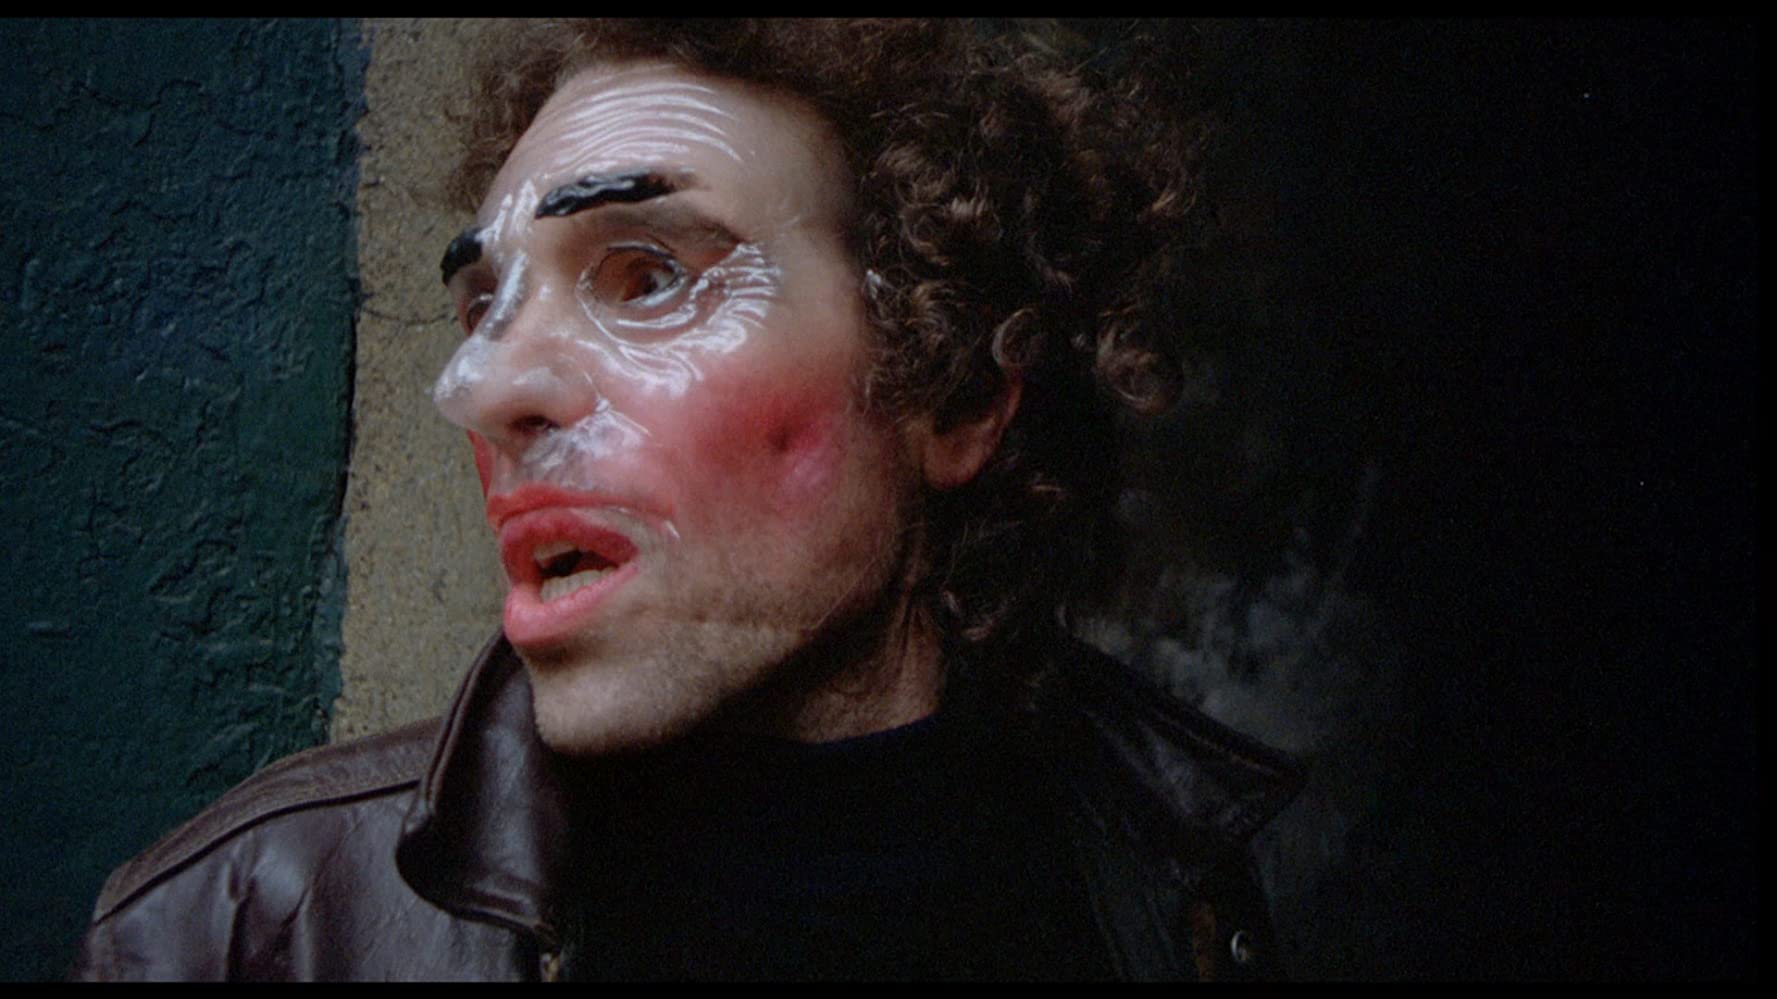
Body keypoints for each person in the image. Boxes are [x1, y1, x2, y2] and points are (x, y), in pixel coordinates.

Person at [73, 20, 1299, 981]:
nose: (483, 388)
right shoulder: (249, 930)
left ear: (957, 394)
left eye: (648, 276)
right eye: (483, 304)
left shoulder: (1172, 881)